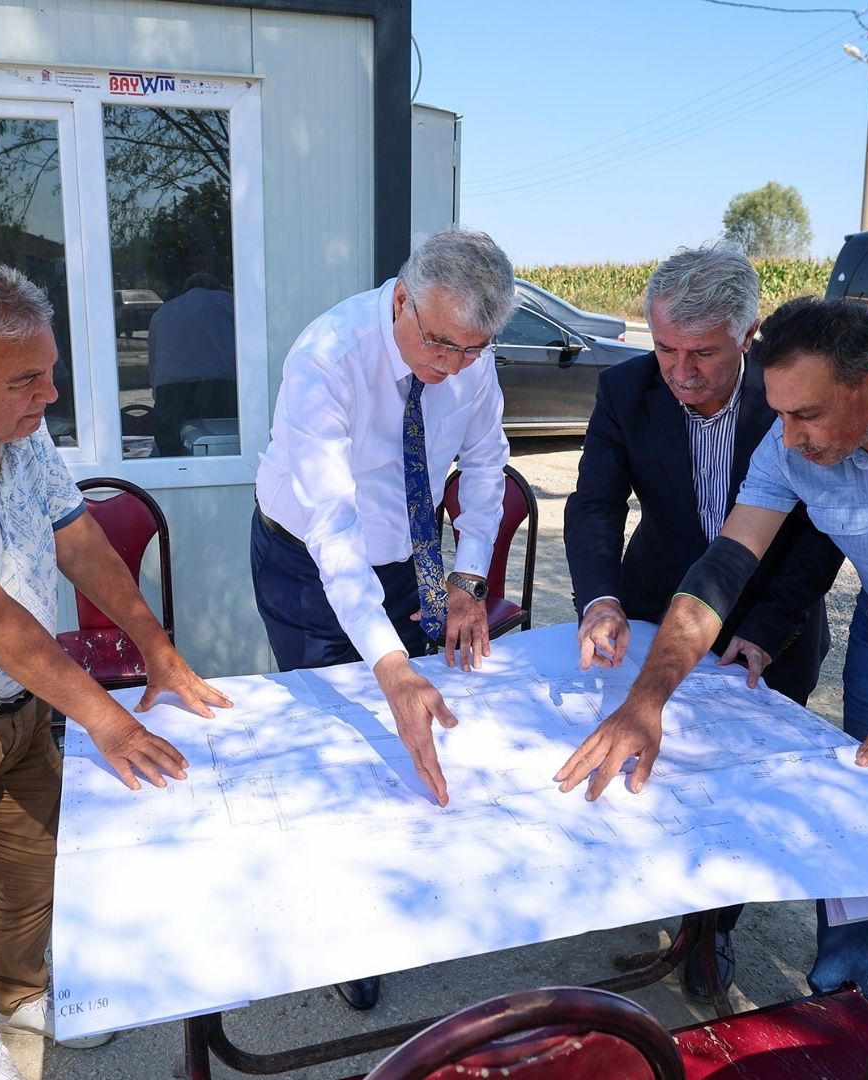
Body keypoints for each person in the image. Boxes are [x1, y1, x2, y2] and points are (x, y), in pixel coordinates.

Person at [556, 294, 868, 1001]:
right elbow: (723, 569)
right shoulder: (787, 444)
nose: (787, 438)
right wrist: (646, 700)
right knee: (861, 813)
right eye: (780, 412)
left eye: (807, 415)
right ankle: (837, 997)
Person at [0, 265, 230, 1079]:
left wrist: (156, 646)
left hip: (23, 701)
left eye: (51, 372)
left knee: (33, 865)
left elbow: (78, 537)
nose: (49, 394)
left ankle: (15, 992)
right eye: (27, 379)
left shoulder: (18, 425)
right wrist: (107, 717)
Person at [563, 245, 843, 999]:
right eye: (665, 349)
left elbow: (822, 526)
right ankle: (655, 898)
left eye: (703, 353)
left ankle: (714, 928)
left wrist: (774, 626)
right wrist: (601, 598)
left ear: (748, 334)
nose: (682, 372)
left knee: (742, 790)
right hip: (658, 606)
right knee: (653, 762)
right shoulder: (625, 390)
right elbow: (594, 503)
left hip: (770, 618)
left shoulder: (791, 394)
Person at [250, 229, 515, 1010]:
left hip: (408, 550)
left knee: (414, 723)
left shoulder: (469, 349)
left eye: (474, 351)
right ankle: (345, 928)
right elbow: (333, 528)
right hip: (307, 556)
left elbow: (489, 461)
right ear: (401, 299)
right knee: (338, 732)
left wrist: (466, 578)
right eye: (441, 347)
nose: (455, 366)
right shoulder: (326, 355)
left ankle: (412, 885)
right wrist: (389, 663)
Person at [146, 273, 238, 456]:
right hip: (220, 384)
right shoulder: (227, 302)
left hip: (170, 387)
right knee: (220, 443)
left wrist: (159, 395)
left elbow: (153, 361)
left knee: (171, 448)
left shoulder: (163, 312)